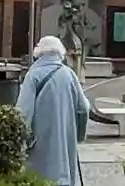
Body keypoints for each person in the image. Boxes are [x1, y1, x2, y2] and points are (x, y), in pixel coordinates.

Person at [16, 35, 91, 185]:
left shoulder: (33, 76)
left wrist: (22, 141)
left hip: (39, 141)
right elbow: (84, 107)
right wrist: (78, 135)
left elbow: (23, 112)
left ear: (39, 53)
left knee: (40, 176)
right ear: (60, 54)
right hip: (65, 138)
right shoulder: (70, 74)